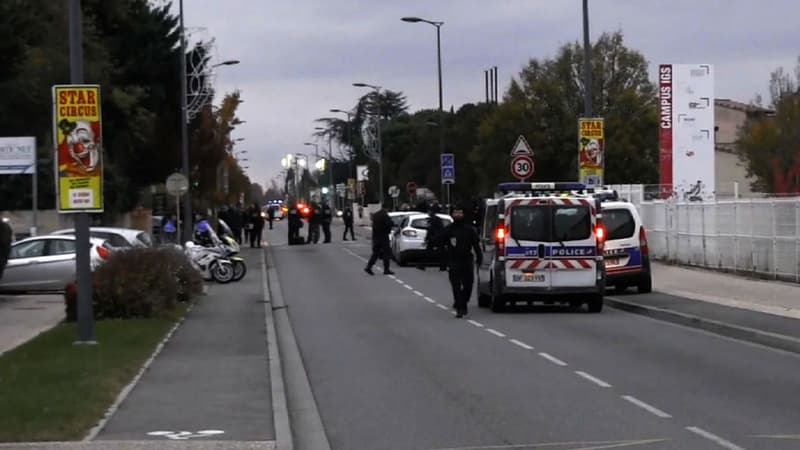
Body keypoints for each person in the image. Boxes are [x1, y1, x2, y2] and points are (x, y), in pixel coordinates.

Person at [430, 204, 482, 318]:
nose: (457, 214)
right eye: (455, 212)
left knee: (468, 285)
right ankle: (460, 308)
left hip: (467, 261)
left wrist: (479, 258)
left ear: (463, 214)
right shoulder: (448, 230)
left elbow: (476, 246)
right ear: (452, 214)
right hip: (454, 261)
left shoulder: (470, 230)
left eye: (460, 212)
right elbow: (438, 242)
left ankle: (463, 302)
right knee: (456, 286)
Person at [364, 203, 395, 276]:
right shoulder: (385, 215)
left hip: (376, 237)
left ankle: (369, 267)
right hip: (383, 236)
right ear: (386, 208)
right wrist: (391, 224)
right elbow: (389, 224)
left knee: (375, 253)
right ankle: (386, 269)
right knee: (386, 253)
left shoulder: (376, 215)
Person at [417, 203, 447, 271]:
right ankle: (443, 266)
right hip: (439, 237)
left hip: (433, 238)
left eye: (429, 211)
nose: (428, 212)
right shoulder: (438, 219)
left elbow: (430, 229)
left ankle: (422, 265)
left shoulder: (431, 219)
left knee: (428, 252)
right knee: (441, 252)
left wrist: (427, 238)